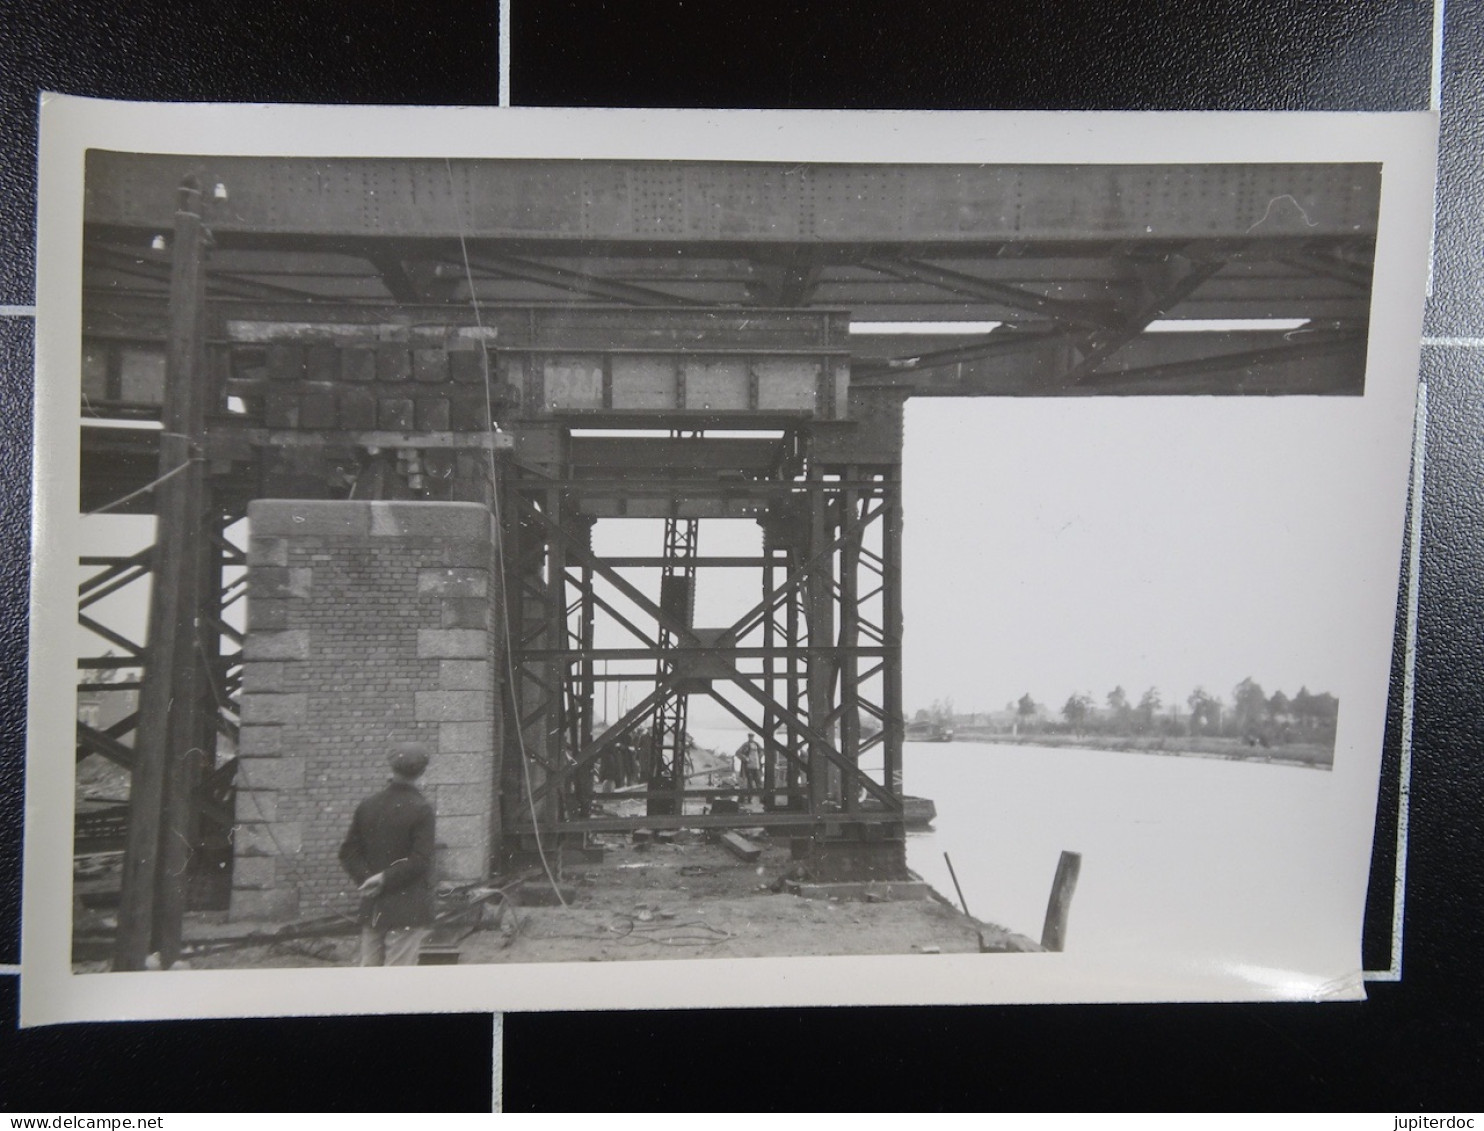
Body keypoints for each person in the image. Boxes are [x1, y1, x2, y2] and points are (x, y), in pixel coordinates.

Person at [339, 741, 437, 966]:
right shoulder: (421, 809)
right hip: (407, 909)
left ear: (391, 769)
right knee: (397, 982)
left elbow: (348, 852)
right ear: (422, 772)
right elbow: (420, 860)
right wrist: (384, 879)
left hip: (374, 906)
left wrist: (368, 880)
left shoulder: (367, 805)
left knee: (370, 974)